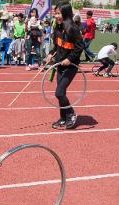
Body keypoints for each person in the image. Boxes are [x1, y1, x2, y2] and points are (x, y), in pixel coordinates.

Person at [46, 1, 83, 129]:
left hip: (71, 66)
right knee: (61, 93)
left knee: (59, 93)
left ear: (66, 14)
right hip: (59, 64)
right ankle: (63, 117)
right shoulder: (58, 27)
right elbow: (56, 46)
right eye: (55, 13)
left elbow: (79, 47)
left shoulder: (72, 28)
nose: (56, 16)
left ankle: (71, 114)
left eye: (58, 13)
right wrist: (51, 54)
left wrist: (70, 59)